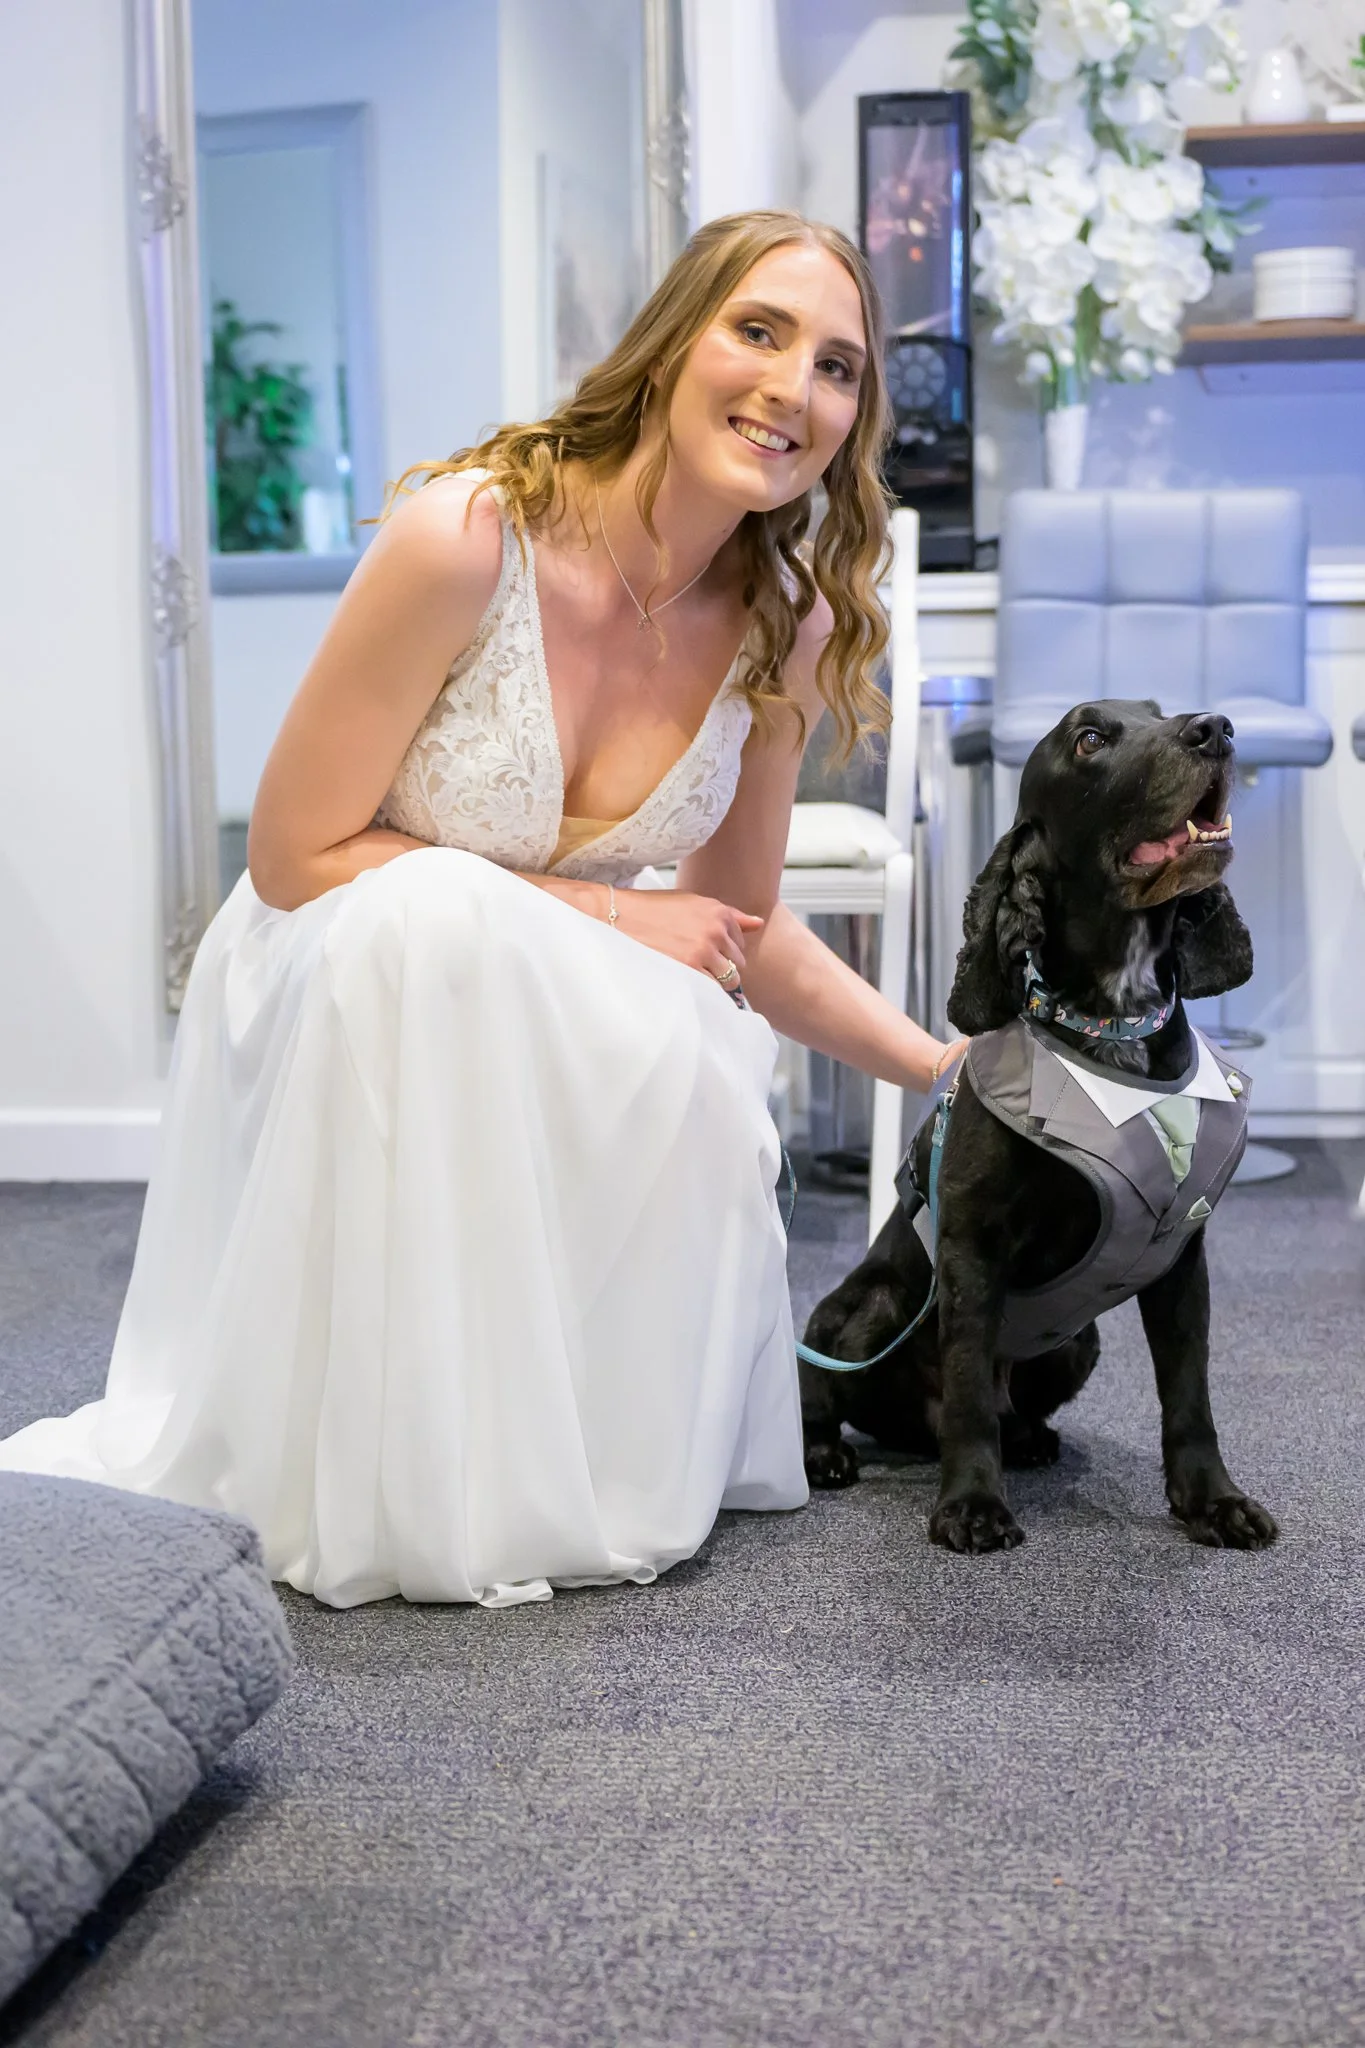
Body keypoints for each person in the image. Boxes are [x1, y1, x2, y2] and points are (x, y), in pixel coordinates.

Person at [1, 211, 960, 1608]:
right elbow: (288, 853)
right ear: (673, 339)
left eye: (838, 368)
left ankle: (578, 1440)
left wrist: (950, 1070)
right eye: (758, 331)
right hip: (339, 955)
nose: (793, 388)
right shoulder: (470, 535)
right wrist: (615, 916)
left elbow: (739, 936)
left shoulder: (784, 623)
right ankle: (390, 1444)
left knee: (702, 1036)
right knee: (433, 927)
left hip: (538, 996)